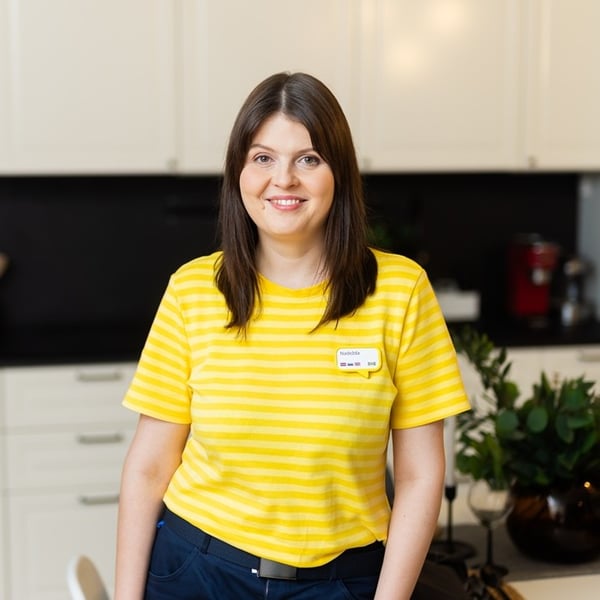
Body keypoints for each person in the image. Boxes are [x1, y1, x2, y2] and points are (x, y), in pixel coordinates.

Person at [115, 72, 470, 600]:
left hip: (343, 580)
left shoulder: (401, 292)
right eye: (262, 158)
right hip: (197, 571)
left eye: (308, 158)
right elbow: (149, 469)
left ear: (339, 173)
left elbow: (420, 476)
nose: (284, 179)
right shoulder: (193, 290)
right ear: (239, 171)